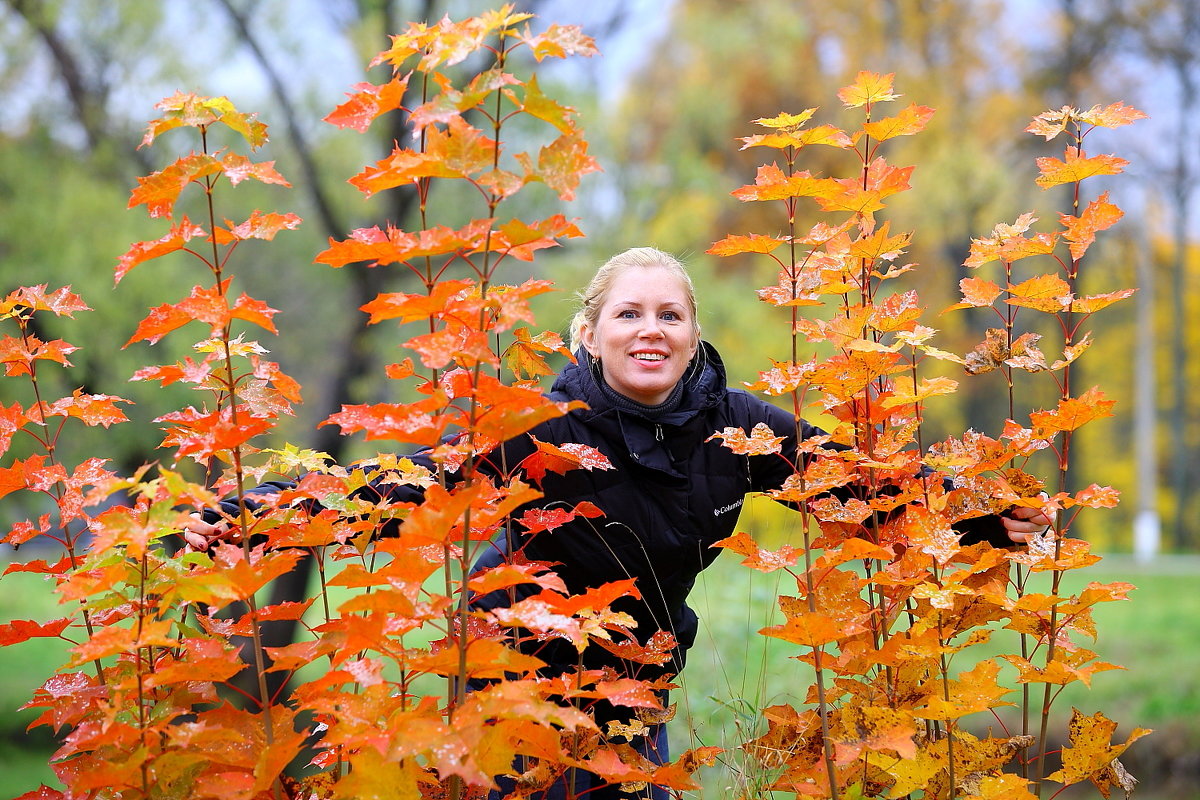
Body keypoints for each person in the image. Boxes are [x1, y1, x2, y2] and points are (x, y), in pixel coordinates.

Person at [185, 247, 1052, 799]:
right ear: (589, 335)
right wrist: (246, 526)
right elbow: (401, 488)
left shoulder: (738, 427)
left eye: (668, 314)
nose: (650, 329)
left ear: (691, 334)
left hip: (641, 685)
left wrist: (980, 517)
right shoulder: (534, 426)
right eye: (629, 314)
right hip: (516, 689)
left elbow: (863, 489)